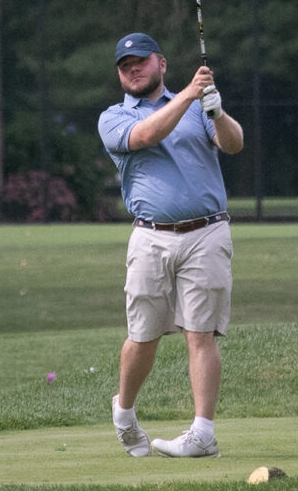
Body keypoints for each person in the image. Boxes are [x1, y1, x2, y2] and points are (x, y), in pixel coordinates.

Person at [97, 32, 244, 458]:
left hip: (207, 232)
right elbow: (145, 136)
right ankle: (124, 413)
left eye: (141, 62)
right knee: (142, 337)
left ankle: (203, 434)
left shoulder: (197, 105)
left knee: (202, 334)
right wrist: (191, 96)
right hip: (150, 237)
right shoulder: (113, 118)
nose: (133, 70)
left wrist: (216, 112)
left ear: (161, 63)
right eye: (125, 66)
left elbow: (233, 144)